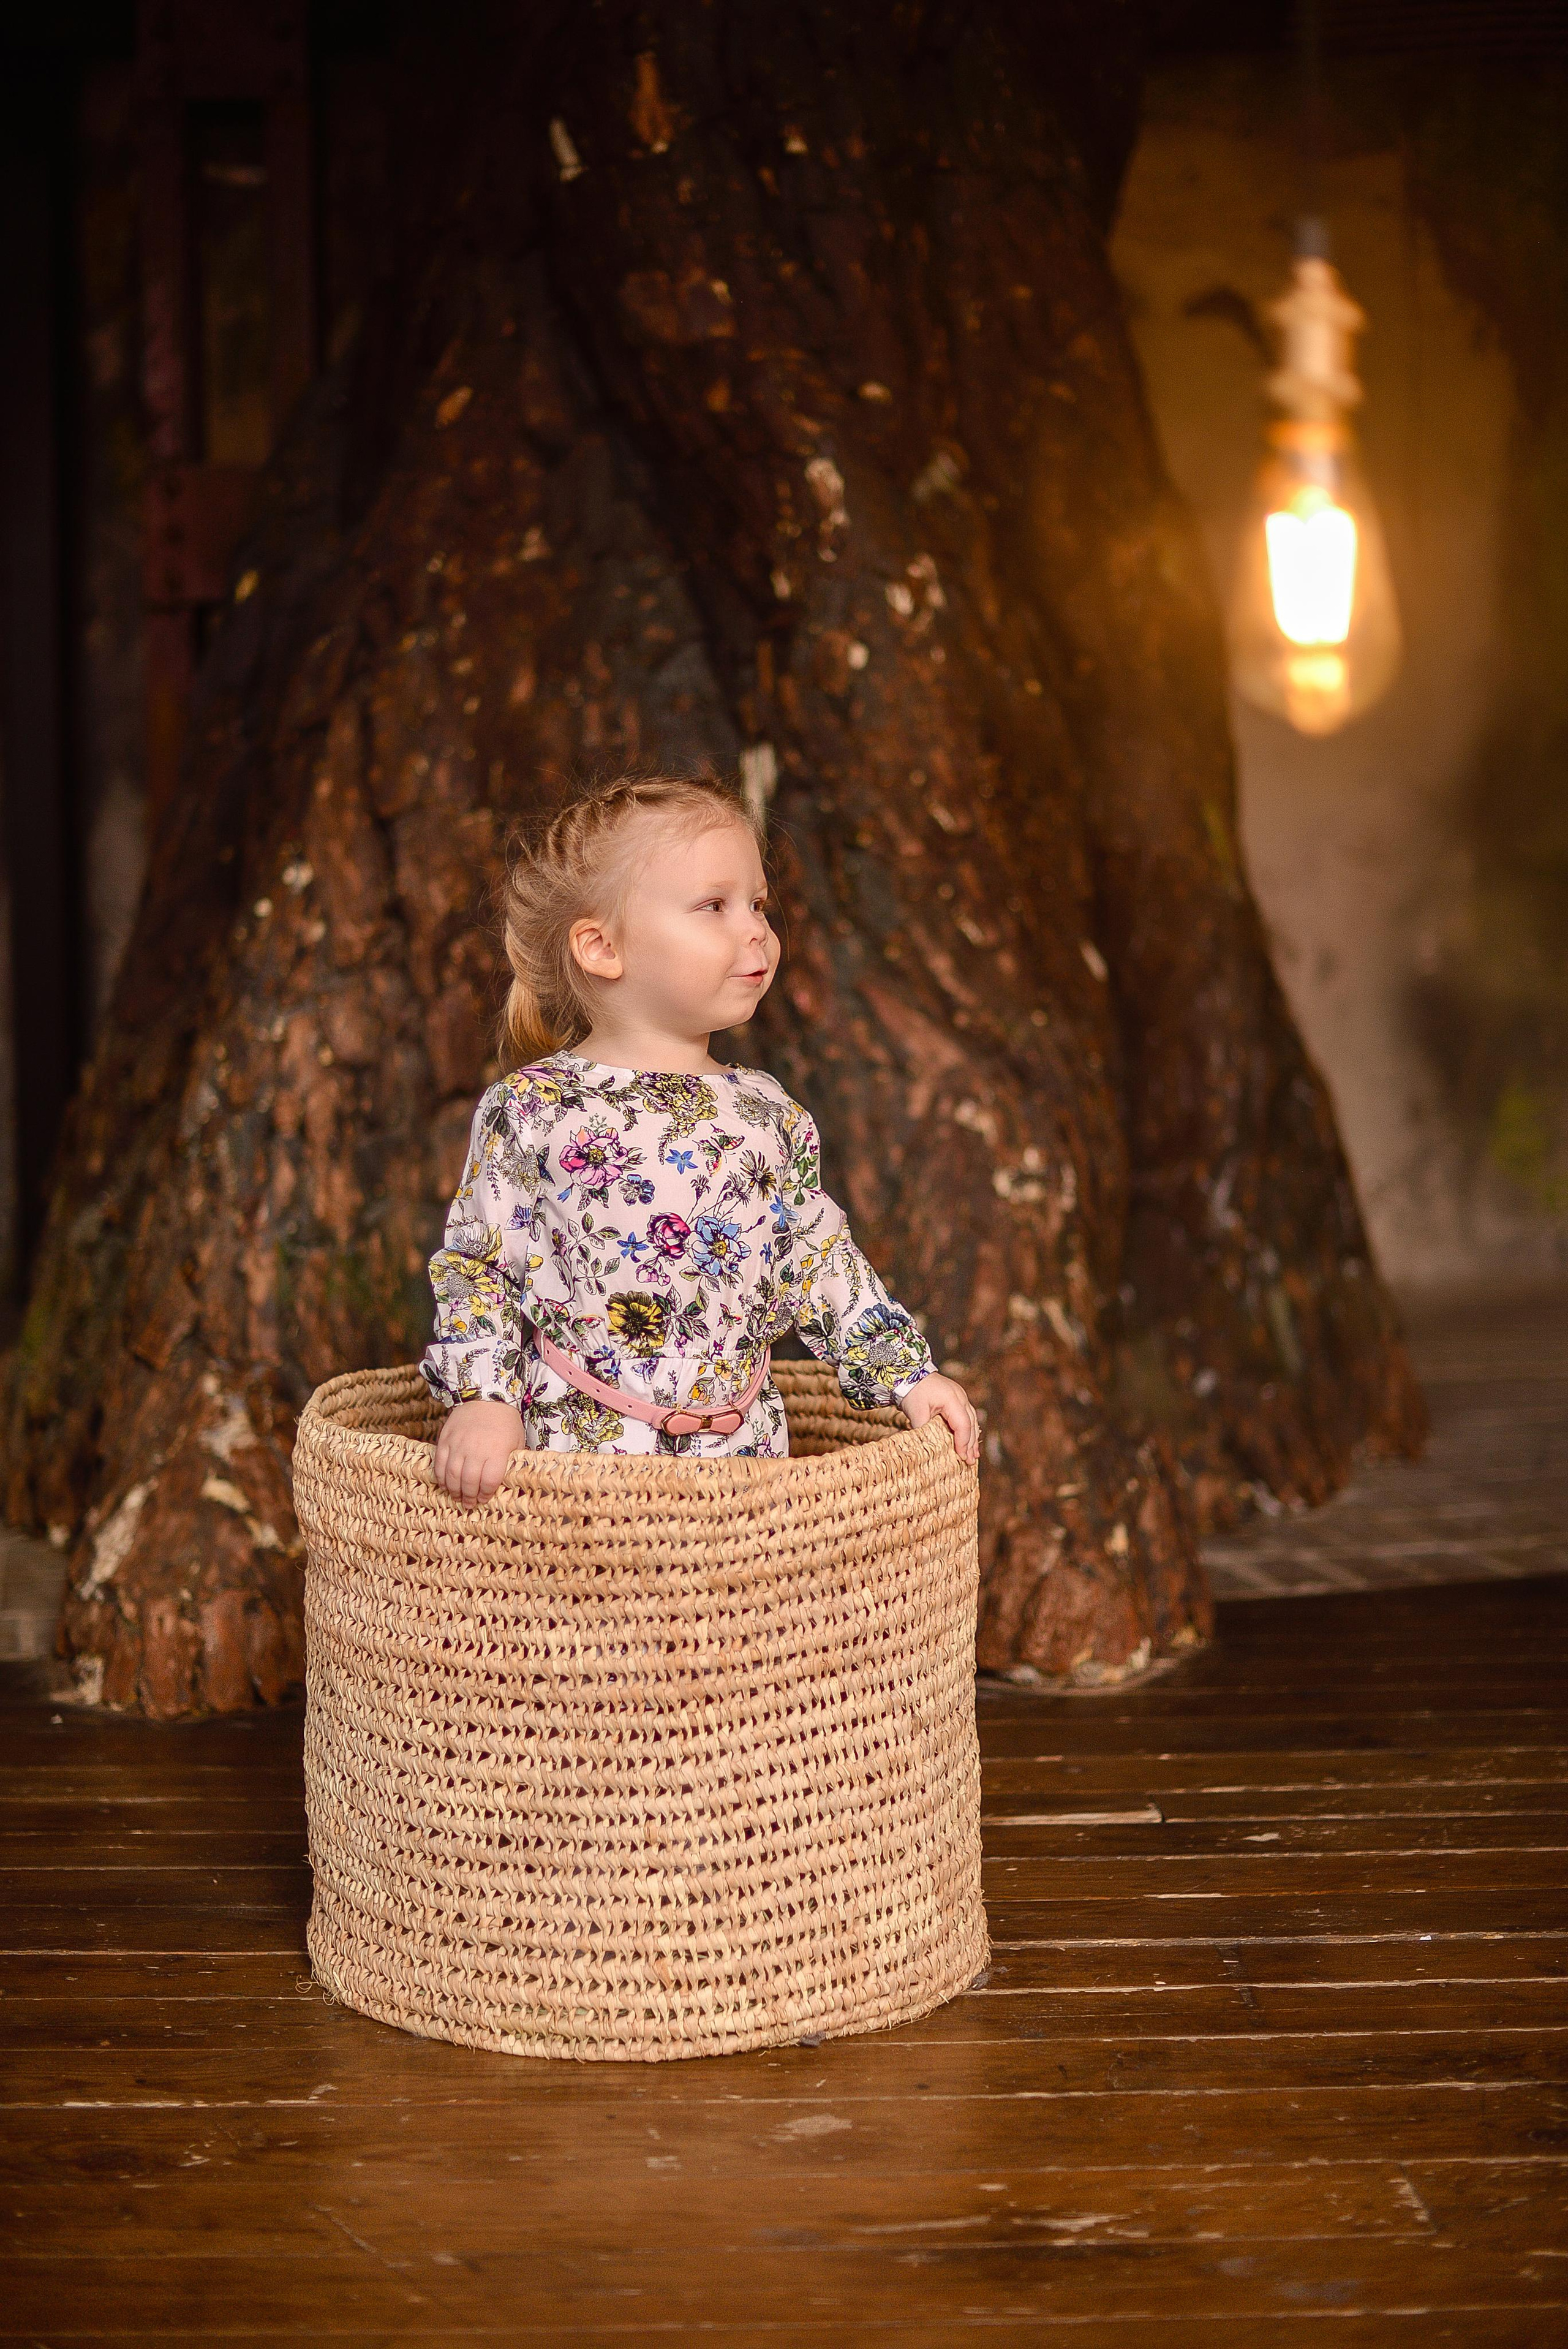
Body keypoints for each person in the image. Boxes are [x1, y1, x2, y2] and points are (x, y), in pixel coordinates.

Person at [421, 774, 980, 1502]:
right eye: (713, 906)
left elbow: (817, 1259)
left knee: (729, 1621)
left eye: (757, 905)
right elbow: (481, 1264)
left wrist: (908, 1376)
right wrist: (485, 1400)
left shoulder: (766, 1115)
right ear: (601, 946)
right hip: (573, 1470)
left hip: (742, 1472)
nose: (755, 930)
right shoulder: (534, 1109)